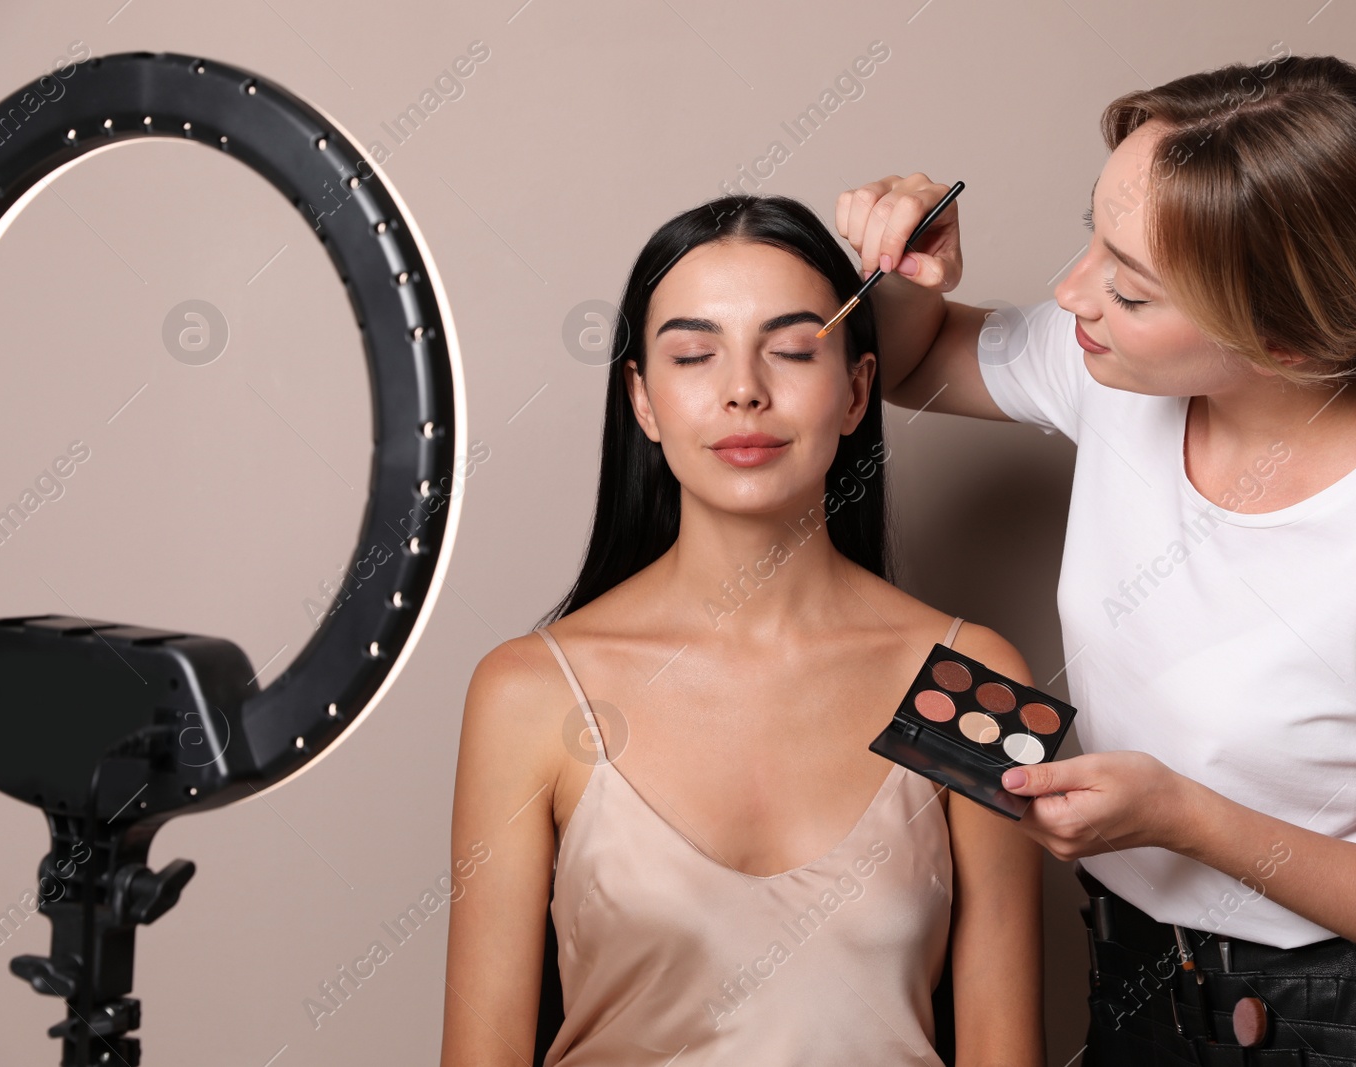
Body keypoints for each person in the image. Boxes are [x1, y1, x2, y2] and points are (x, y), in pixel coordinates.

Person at [834, 53, 1356, 1066]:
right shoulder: (1117, 370)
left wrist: (1190, 818)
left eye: (1129, 290)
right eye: (1092, 232)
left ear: (1284, 343)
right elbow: (909, 363)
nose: (1070, 291)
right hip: (1145, 995)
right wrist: (911, 274)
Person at [440, 194, 1045, 1066]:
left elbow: (1004, 1051)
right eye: (694, 354)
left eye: (794, 349)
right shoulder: (527, 692)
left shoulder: (976, 677)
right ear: (642, 401)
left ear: (856, 390)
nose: (744, 390)